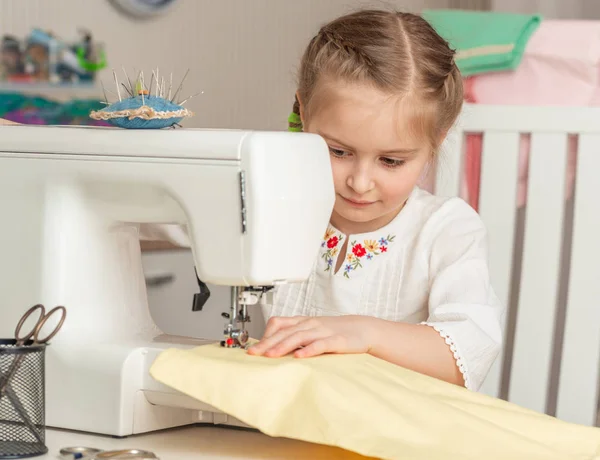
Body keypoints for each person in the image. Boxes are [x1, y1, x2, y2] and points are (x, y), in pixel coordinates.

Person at [248, 9, 504, 392]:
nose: (360, 182)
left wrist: (365, 332)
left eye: (391, 161)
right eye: (338, 151)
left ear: (437, 138)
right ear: (302, 112)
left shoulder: (446, 231)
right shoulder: (270, 201)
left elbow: (467, 352)